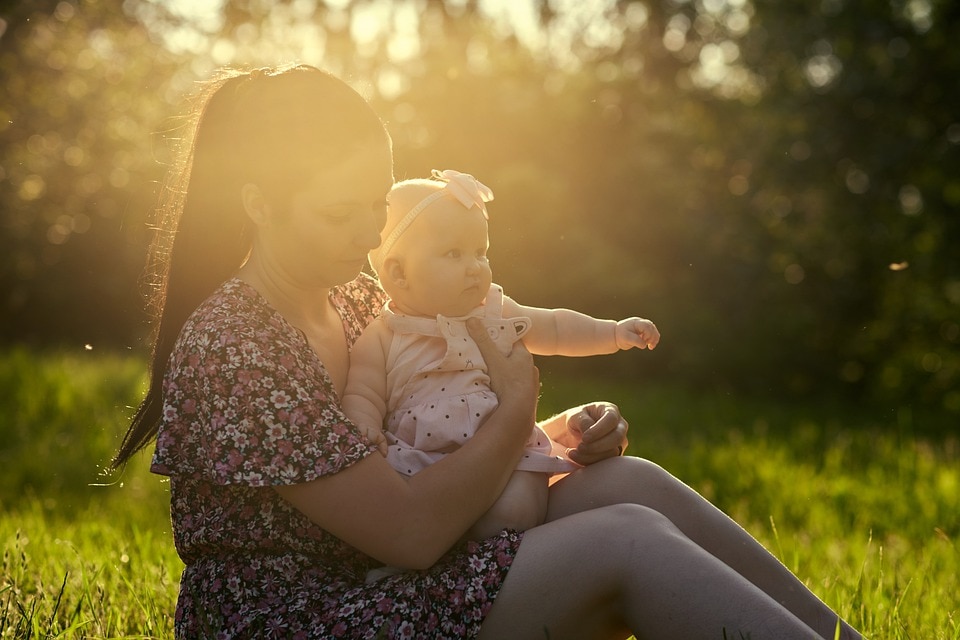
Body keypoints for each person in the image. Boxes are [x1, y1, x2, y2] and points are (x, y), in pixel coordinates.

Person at [112, 63, 862, 639]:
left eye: (378, 204)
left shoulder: (356, 293)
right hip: (311, 615)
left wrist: (562, 433)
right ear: (259, 202)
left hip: (385, 576)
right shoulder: (236, 341)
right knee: (624, 542)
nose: (369, 235)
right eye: (339, 212)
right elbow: (409, 531)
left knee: (629, 483)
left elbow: (438, 429)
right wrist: (520, 406)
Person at [342, 169, 660, 546]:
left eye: (481, 252)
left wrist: (612, 332)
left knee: (515, 513)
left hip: (507, 451)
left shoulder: (492, 309)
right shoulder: (383, 334)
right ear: (398, 273)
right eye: (453, 253)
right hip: (424, 461)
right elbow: (363, 391)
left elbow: (555, 327)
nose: (475, 266)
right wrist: (363, 424)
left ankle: (508, 549)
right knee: (427, 517)